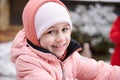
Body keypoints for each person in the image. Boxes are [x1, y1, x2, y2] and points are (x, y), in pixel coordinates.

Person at [11, 0, 120, 80]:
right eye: (51, 31)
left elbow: (100, 71)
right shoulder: (29, 63)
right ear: (35, 35)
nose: (61, 38)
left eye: (64, 29)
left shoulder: (70, 58)